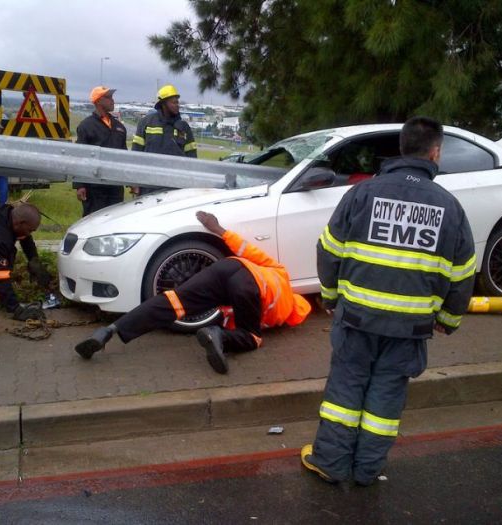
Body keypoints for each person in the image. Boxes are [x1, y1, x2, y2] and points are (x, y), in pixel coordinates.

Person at [301, 117, 476, 487]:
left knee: (345, 390)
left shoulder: (362, 194)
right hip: (408, 329)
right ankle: (367, 469)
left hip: (357, 319)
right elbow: (462, 274)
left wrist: (331, 297)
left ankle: (331, 462)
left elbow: (329, 250)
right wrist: (448, 318)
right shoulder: (450, 208)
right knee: (386, 396)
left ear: (401, 148)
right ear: (435, 152)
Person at [74, 210, 311, 374]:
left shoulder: (280, 271)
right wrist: (222, 330)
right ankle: (217, 338)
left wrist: (217, 228)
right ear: (294, 315)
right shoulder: (280, 313)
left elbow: (247, 249)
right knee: (252, 338)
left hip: (227, 267)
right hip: (247, 288)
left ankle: (110, 330)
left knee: (173, 302)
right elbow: (241, 319)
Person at [131, 84, 197, 194]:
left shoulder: (183, 127)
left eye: (178, 102)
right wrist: (134, 182)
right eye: (174, 102)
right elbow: (136, 153)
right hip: (149, 184)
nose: (177, 105)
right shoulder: (146, 123)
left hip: (176, 185)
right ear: (163, 104)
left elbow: (192, 157)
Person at [73, 86, 127, 216]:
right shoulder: (86, 126)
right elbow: (80, 157)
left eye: (112, 97)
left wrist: (132, 182)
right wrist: (80, 185)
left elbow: (125, 156)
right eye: (108, 97)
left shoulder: (119, 127)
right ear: (98, 101)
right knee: (93, 220)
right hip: (94, 186)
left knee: (115, 219)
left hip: (115, 185)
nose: (112, 100)